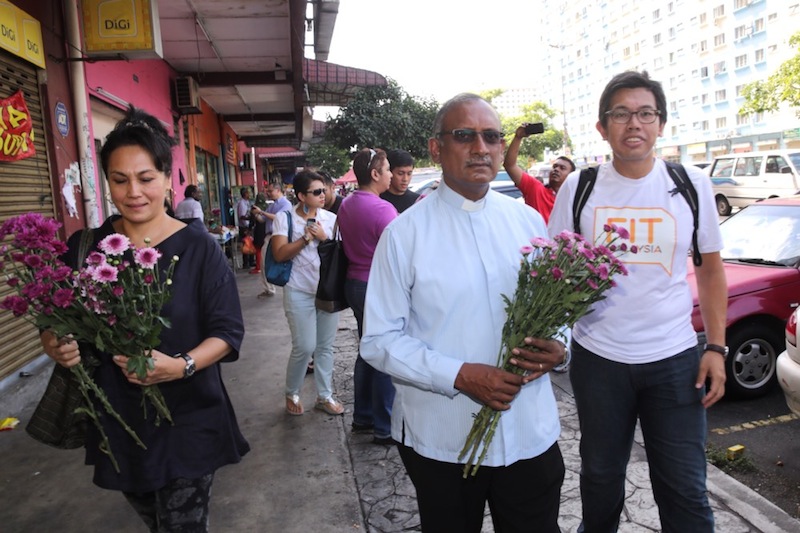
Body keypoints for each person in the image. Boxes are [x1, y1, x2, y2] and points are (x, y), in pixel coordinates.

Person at [360, 94, 566, 532]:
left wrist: (560, 346)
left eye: (492, 137)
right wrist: (458, 375)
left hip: (530, 432)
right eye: (464, 136)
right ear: (436, 149)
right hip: (443, 440)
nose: (481, 147)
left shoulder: (528, 222)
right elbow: (379, 341)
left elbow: (558, 308)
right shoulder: (404, 235)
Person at [39, 106, 249, 532]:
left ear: (166, 179)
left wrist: (181, 365)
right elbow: (57, 318)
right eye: (120, 180)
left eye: (146, 179)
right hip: (118, 418)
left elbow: (227, 331)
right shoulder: (85, 247)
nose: (133, 191)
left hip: (187, 417)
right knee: (157, 522)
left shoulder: (199, 249)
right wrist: (54, 343)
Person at [547, 70, 727, 533]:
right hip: (600, 360)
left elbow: (710, 271)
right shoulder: (580, 187)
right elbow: (555, 271)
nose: (634, 124)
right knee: (601, 479)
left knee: (685, 488)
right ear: (602, 127)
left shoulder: (691, 184)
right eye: (621, 114)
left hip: (675, 361)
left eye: (646, 113)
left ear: (661, 124)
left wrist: (716, 349)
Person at [337, 148, 398, 445]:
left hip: (355, 284)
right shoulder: (382, 209)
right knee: (384, 352)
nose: (390, 175)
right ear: (374, 174)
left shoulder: (348, 203)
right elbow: (400, 252)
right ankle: (384, 426)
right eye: (387, 169)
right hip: (376, 285)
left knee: (367, 349)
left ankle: (363, 416)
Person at [271, 169, 344, 417]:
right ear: (301, 195)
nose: (322, 195)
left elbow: (339, 253)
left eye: (323, 190)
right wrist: (304, 239)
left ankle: (324, 396)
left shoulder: (331, 219)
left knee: (325, 346)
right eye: (316, 192)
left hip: (325, 290)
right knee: (304, 345)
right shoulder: (285, 218)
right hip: (298, 289)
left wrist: (324, 237)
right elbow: (280, 254)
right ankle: (292, 392)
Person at [503, 127, 575, 224]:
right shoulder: (536, 189)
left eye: (562, 168)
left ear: (571, 176)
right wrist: (518, 137)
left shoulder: (576, 200)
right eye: (555, 167)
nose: (556, 169)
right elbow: (510, 165)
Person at [258, 181, 292, 297]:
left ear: (278, 190)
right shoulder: (271, 205)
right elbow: (262, 219)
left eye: (270, 191)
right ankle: (269, 287)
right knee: (263, 262)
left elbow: (278, 218)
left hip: (279, 236)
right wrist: (256, 214)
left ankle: (275, 286)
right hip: (269, 236)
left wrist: (261, 212)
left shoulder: (286, 204)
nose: (268, 193)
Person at [380, 149, 420, 213]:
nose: (405, 179)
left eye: (409, 174)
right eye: (400, 173)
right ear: (389, 172)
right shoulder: (379, 201)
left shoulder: (417, 201)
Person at [236, 187, 254, 268]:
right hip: (244, 227)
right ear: (244, 194)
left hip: (248, 226)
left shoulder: (247, 202)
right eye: (248, 193)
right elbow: (242, 216)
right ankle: (246, 263)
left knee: (250, 244)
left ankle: (251, 261)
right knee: (246, 244)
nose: (249, 194)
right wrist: (250, 218)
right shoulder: (241, 203)